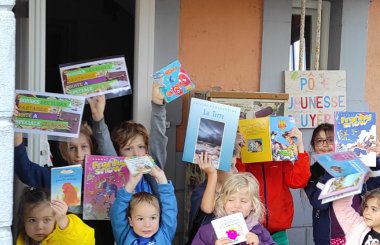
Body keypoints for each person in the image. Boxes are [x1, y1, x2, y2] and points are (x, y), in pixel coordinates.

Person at [304, 123, 380, 245]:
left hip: (358, 232)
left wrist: (375, 159)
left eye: (330, 140)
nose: (325, 145)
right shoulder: (311, 173)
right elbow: (319, 205)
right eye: (319, 141)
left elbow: (376, 184)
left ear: (339, 143)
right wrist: (332, 170)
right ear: (314, 145)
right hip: (327, 237)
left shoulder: (354, 167)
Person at [89, 83, 168, 196]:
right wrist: (98, 118)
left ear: (147, 149)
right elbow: (104, 144)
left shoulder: (154, 170)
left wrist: (158, 105)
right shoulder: (116, 171)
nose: (136, 153)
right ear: (118, 152)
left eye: (141, 147)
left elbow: (158, 139)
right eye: (128, 148)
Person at [236, 126, 310, 245]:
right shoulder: (246, 162)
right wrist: (239, 154)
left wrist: (300, 145)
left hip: (278, 233)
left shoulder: (281, 160)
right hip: (250, 231)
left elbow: (299, 181)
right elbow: (237, 185)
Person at [186, 133, 244, 244]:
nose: (236, 171)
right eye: (231, 166)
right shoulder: (201, 192)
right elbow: (208, 209)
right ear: (216, 167)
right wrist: (212, 174)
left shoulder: (229, 190)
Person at [192, 173, 276, 245]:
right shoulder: (207, 232)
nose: (237, 205)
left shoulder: (260, 232)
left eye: (244, 201)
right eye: (231, 200)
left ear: (253, 205)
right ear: (222, 202)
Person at [109, 165, 177, 244]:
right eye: (140, 219)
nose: (147, 225)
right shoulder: (125, 236)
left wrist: (161, 178)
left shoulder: (164, 235)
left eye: (153, 218)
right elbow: (116, 214)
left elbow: (170, 210)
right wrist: (132, 183)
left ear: (159, 218)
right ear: (130, 221)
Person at [16, 187, 94, 245]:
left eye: (46, 220)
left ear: (55, 220)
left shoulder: (60, 238)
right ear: (23, 220)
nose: (39, 226)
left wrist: (64, 223)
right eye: (32, 220)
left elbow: (84, 241)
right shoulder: (22, 240)